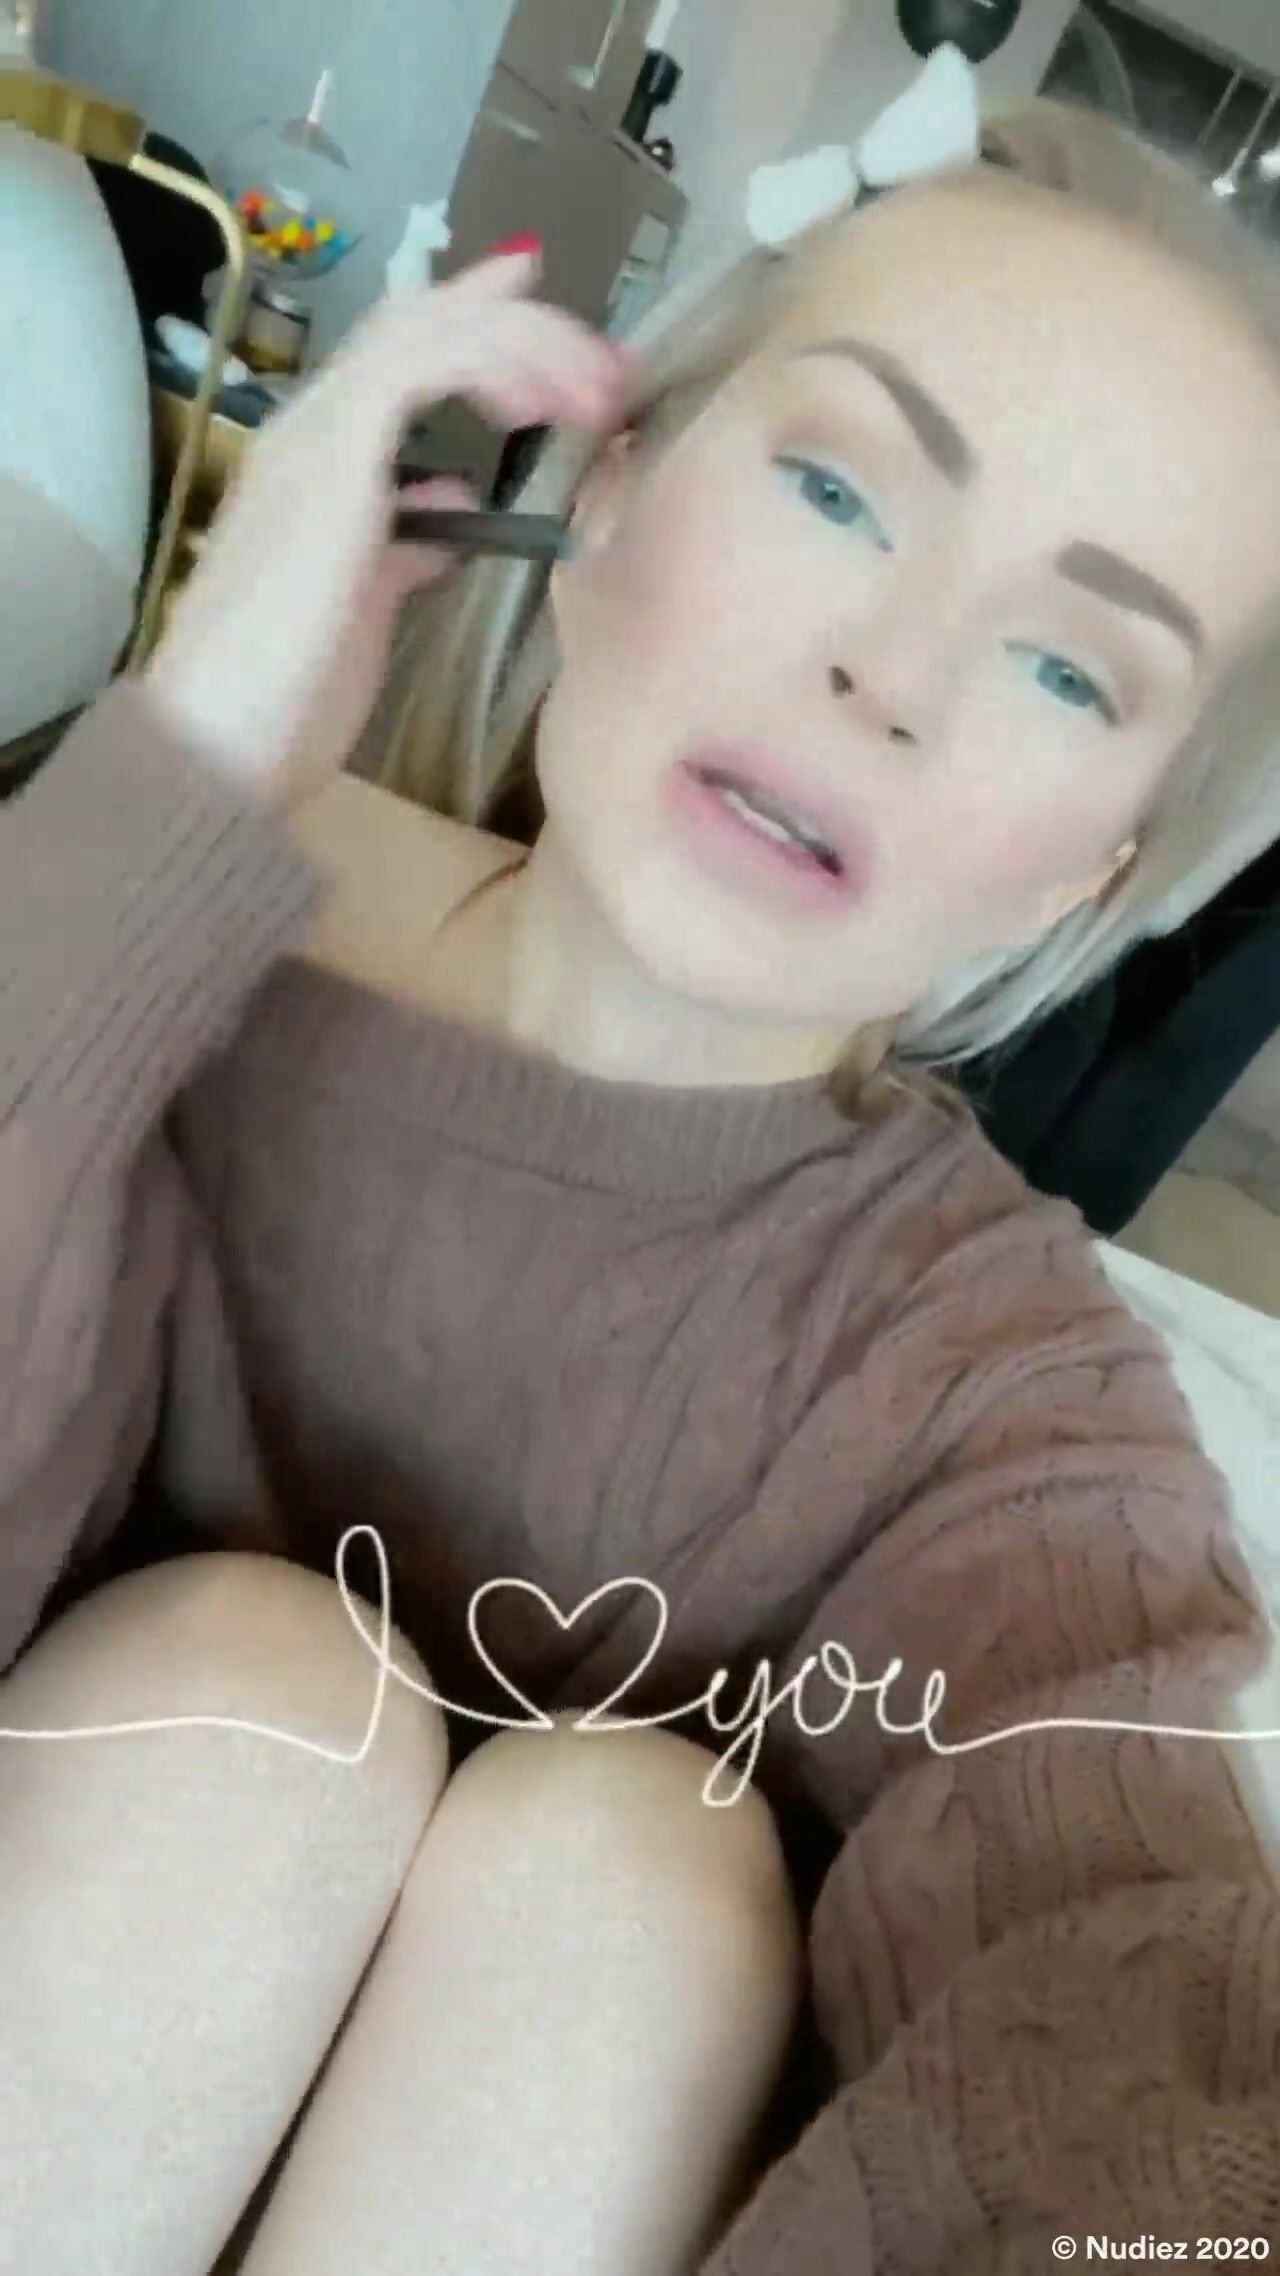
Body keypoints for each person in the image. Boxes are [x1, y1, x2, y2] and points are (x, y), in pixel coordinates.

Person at [3, 86, 1280, 2275]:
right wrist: (181, 775)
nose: (892, 677)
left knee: (638, 1878)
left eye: (1070, 665)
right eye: (834, 486)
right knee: (260, 1711)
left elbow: (1117, 2002)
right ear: (609, 486)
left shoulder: (1001, 1397)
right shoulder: (135, 929)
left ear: (1092, 872)